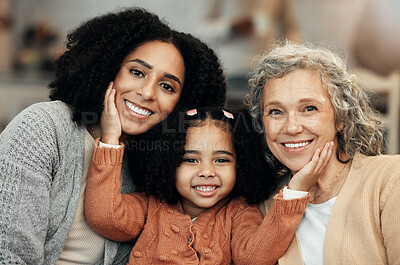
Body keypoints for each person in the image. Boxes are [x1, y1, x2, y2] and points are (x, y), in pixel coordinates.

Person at [0, 8, 227, 264]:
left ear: (181, 104)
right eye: (137, 72)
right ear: (109, 69)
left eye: (167, 86)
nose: (148, 92)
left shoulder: (153, 166)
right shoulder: (43, 128)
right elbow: (10, 253)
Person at [84, 103, 334, 264]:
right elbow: (105, 218)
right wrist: (110, 140)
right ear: (169, 163)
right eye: (191, 159)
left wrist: (296, 190)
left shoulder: (238, 213)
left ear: (241, 165)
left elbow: (255, 257)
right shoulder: (152, 207)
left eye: (222, 160)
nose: (206, 172)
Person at [245, 42, 400, 264]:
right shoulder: (266, 207)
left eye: (309, 108)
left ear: (341, 118)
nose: (291, 127)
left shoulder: (391, 180)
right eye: (276, 111)